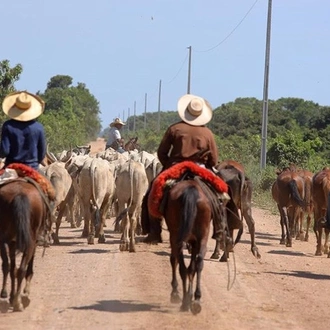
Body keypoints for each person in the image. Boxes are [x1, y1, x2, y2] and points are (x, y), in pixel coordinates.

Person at [142, 93, 229, 245]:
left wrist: (169, 164)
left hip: (175, 167)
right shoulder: (207, 133)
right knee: (222, 194)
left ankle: (154, 232)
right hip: (201, 168)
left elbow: (161, 152)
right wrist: (207, 166)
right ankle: (220, 229)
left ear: (186, 112)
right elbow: (214, 158)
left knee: (152, 191)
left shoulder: (174, 128)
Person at [0, 91, 46, 170]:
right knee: (47, 182)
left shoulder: (8, 126)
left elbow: (4, 151)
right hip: (32, 168)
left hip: (11, 167)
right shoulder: (38, 127)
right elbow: (42, 154)